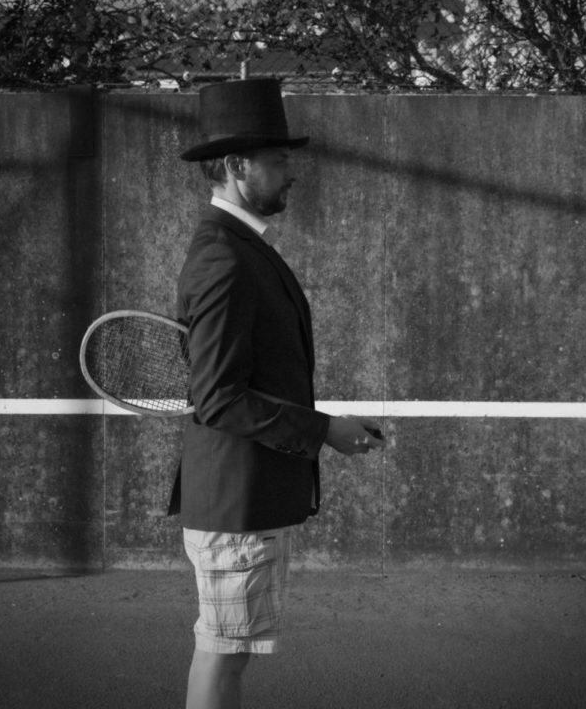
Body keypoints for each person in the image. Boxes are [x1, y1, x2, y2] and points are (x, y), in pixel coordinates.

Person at [168, 78, 385, 709]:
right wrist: (323, 431)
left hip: (239, 500)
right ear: (238, 166)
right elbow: (218, 397)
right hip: (236, 505)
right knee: (223, 654)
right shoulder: (225, 259)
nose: (291, 172)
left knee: (224, 651)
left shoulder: (237, 248)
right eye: (279, 159)